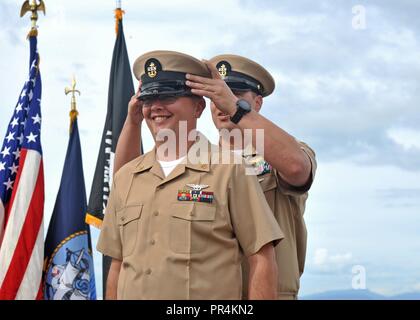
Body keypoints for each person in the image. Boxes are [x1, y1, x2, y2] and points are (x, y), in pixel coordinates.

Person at [96, 50, 284, 300]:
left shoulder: (230, 169)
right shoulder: (126, 177)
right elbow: (117, 264)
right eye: (149, 99)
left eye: (169, 96)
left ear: (198, 107)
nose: (156, 107)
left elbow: (262, 258)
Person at [184, 54, 317, 300]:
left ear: (257, 103)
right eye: (216, 96)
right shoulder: (195, 161)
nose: (222, 103)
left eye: (235, 95)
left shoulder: (285, 151)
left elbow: (297, 168)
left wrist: (235, 110)